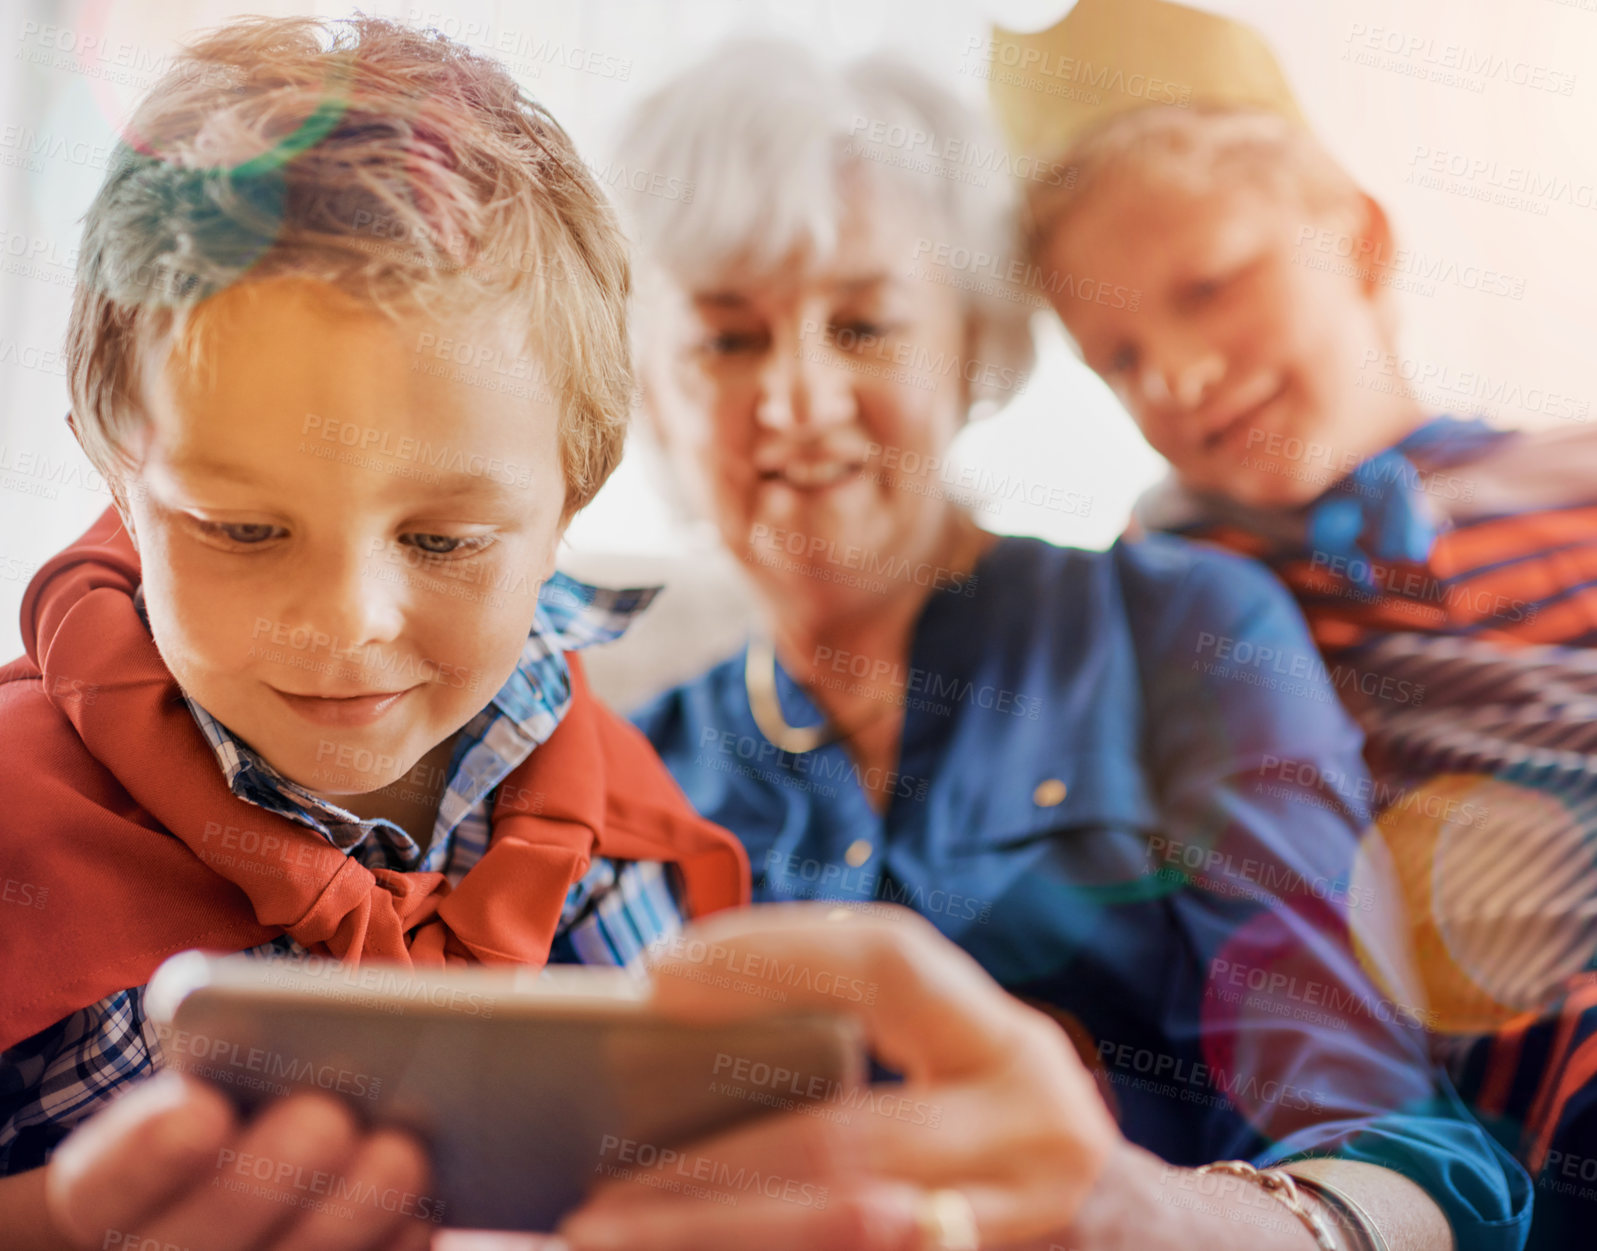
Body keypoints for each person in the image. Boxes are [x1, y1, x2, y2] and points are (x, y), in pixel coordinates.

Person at [569, 38, 1533, 1251]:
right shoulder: (614, 773)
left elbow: (1412, 1159)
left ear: (968, 348)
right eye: (729, 340)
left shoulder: (1180, 629)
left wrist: (1146, 1219)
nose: (799, 400)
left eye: (863, 326)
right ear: (650, 388)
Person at [0, 17, 754, 1248]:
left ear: (575, 494)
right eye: (243, 531)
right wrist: (76, 1221)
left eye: (444, 541)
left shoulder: (619, 825)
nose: (348, 624)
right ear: (113, 474)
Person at [1004, 4, 1597, 1242]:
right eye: (1115, 356)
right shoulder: (1175, 585)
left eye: (1211, 286)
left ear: (1361, 239)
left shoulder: (1573, 477)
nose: (1172, 377)